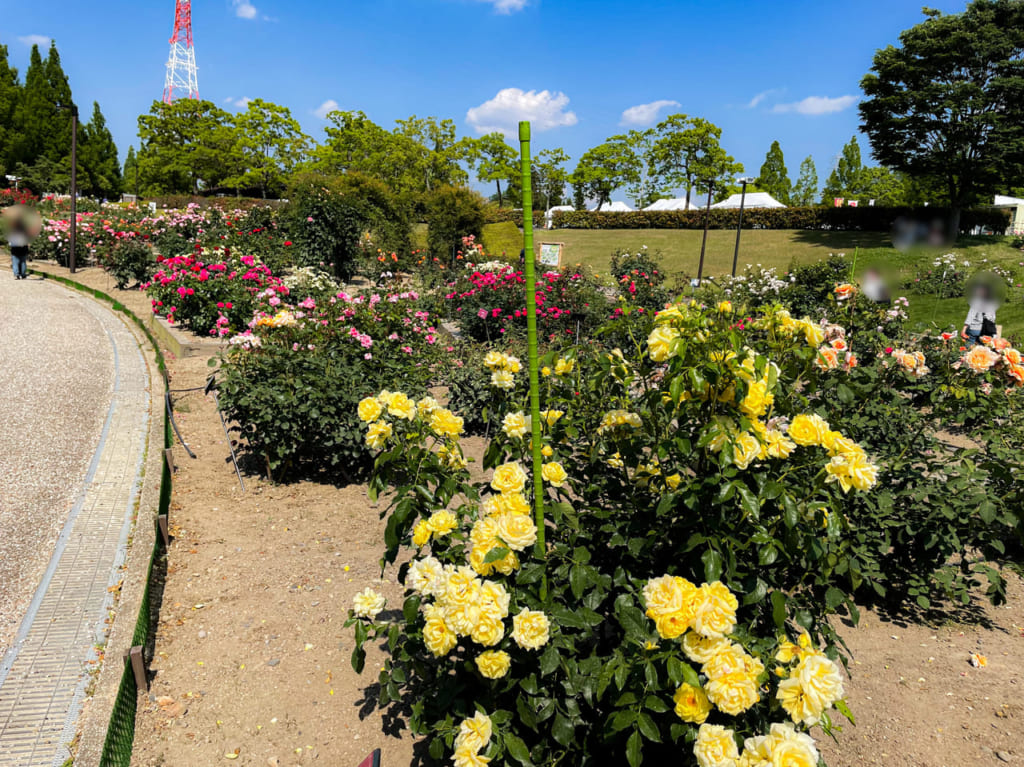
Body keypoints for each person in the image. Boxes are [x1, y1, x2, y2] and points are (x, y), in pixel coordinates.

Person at [7, 212, 29, 280]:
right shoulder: (25, 229)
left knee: (15, 262)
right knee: (23, 261)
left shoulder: (12, 230)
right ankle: (23, 274)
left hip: (15, 247)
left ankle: (16, 274)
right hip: (23, 247)